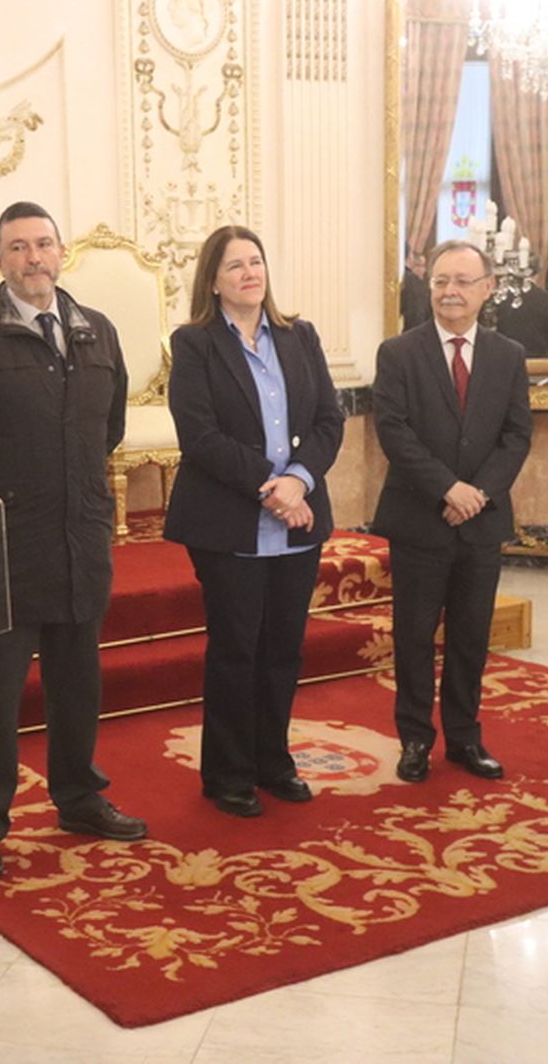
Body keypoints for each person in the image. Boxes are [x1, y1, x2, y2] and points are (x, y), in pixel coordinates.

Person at [0, 200, 147, 879]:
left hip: (80, 539)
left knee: (78, 685)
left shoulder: (96, 331)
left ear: (62, 252)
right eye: (18, 247)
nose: (33, 258)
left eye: (43, 244)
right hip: (2, 546)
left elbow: (110, 426)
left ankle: (79, 799)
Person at [163, 225, 345, 817]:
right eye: (235, 265)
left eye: (256, 261)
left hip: (297, 520)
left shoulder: (300, 336)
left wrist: (298, 482)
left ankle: (275, 761)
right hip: (229, 523)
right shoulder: (193, 345)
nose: (249, 272)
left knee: (284, 651)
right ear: (213, 281)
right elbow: (200, 437)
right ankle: (229, 773)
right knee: (236, 650)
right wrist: (272, 489)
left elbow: (328, 420)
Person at [372, 239, 533, 783]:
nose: (450, 291)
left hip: (481, 523)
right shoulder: (398, 353)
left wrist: (479, 493)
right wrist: (448, 489)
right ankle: (415, 738)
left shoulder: (508, 356)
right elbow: (393, 432)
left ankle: (466, 738)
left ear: (487, 288)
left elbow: (516, 436)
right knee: (414, 637)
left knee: (471, 636)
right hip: (420, 519)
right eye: (441, 280)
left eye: (463, 281)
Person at [493, 260, 548, 357]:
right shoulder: (545, 298)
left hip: (507, 355)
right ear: (537, 274)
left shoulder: (503, 296)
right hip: (538, 357)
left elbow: (498, 326)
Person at [400, 244, 432, 331]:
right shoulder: (412, 281)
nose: (422, 270)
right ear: (410, 258)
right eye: (418, 265)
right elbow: (417, 316)